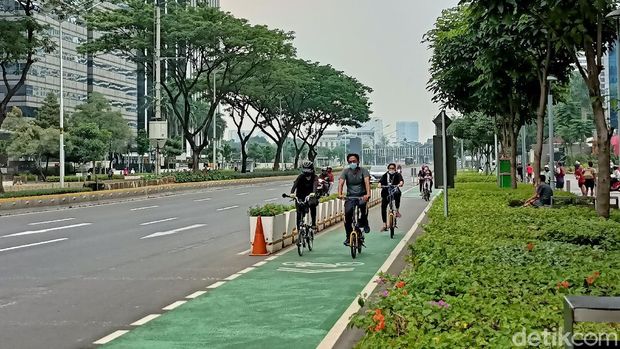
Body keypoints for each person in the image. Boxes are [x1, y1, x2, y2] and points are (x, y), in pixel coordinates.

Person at [338, 153, 371, 246]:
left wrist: (368, 194)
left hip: (362, 196)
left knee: (362, 206)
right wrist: (340, 194)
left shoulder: (363, 171)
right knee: (347, 215)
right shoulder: (346, 171)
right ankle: (348, 237)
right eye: (350, 162)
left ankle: (364, 222)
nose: (352, 163)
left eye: (354, 161)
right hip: (350, 197)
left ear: (358, 161)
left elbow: (367, 182)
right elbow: (341, 183)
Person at [290, 161, 319, 231]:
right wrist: (292, 193)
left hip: (310, 195)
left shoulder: (314, 177)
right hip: (300, 196)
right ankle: (299, 230)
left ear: (312, 169)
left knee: (312, 205)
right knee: (299, 211)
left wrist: (313, 193)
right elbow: (295, 185)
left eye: (308, 169)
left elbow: (315, 185)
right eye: (305, 169)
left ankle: (314, 223)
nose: (306, 171)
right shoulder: (300, 177)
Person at [379, 163, 404, 231]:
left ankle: (397, 211)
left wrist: (400, 184)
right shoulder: (385, 175)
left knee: (398, 193)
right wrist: (380, 185)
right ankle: (384, 224)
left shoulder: (397, 174)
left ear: (395, 169)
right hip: (386, 193)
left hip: (394, 191)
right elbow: (380, 182)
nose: (391, 170)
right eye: (390, 168)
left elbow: (401, 180)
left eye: (393, 168)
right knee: (383, 206)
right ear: (388, 169)